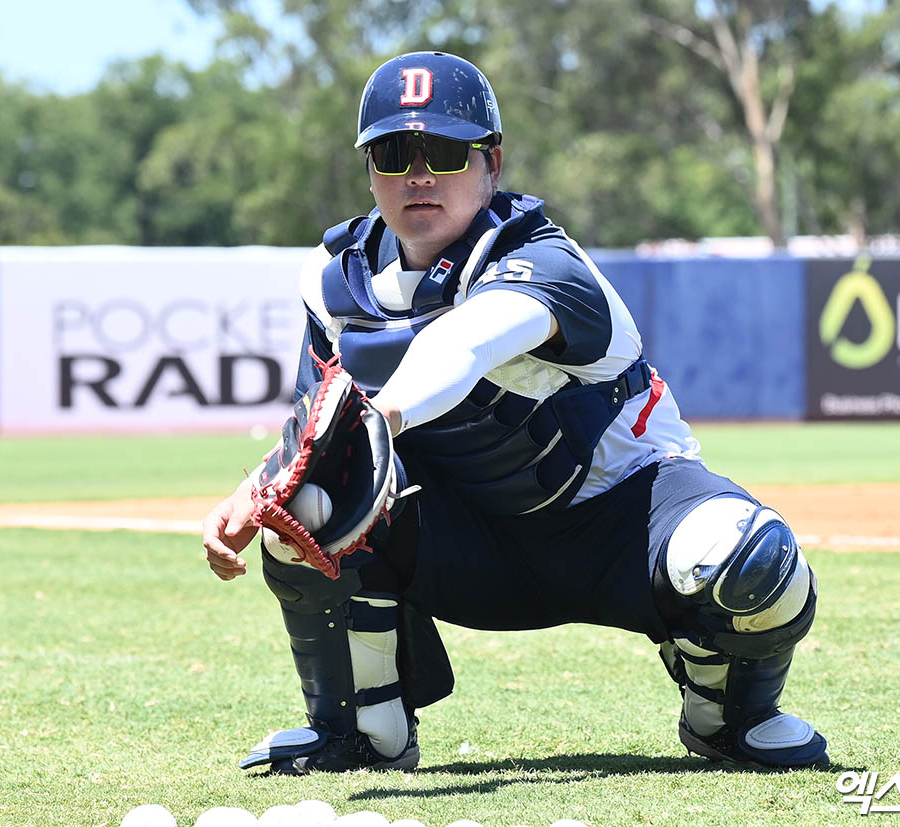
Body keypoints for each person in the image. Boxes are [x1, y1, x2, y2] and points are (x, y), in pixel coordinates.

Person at [201, 51, 828, 774]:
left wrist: (384, 416)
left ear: (491, 163)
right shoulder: (334, 277)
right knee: (304, 501)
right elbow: (314, 415)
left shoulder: (543, 258)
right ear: (368, 169)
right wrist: (255, 491)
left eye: (443, 150)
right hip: (469, 546)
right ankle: (359, 731)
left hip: (621, 524)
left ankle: (733, 717)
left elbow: (465, 345)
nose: (419, 173)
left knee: (747, 553)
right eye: (392, 152)